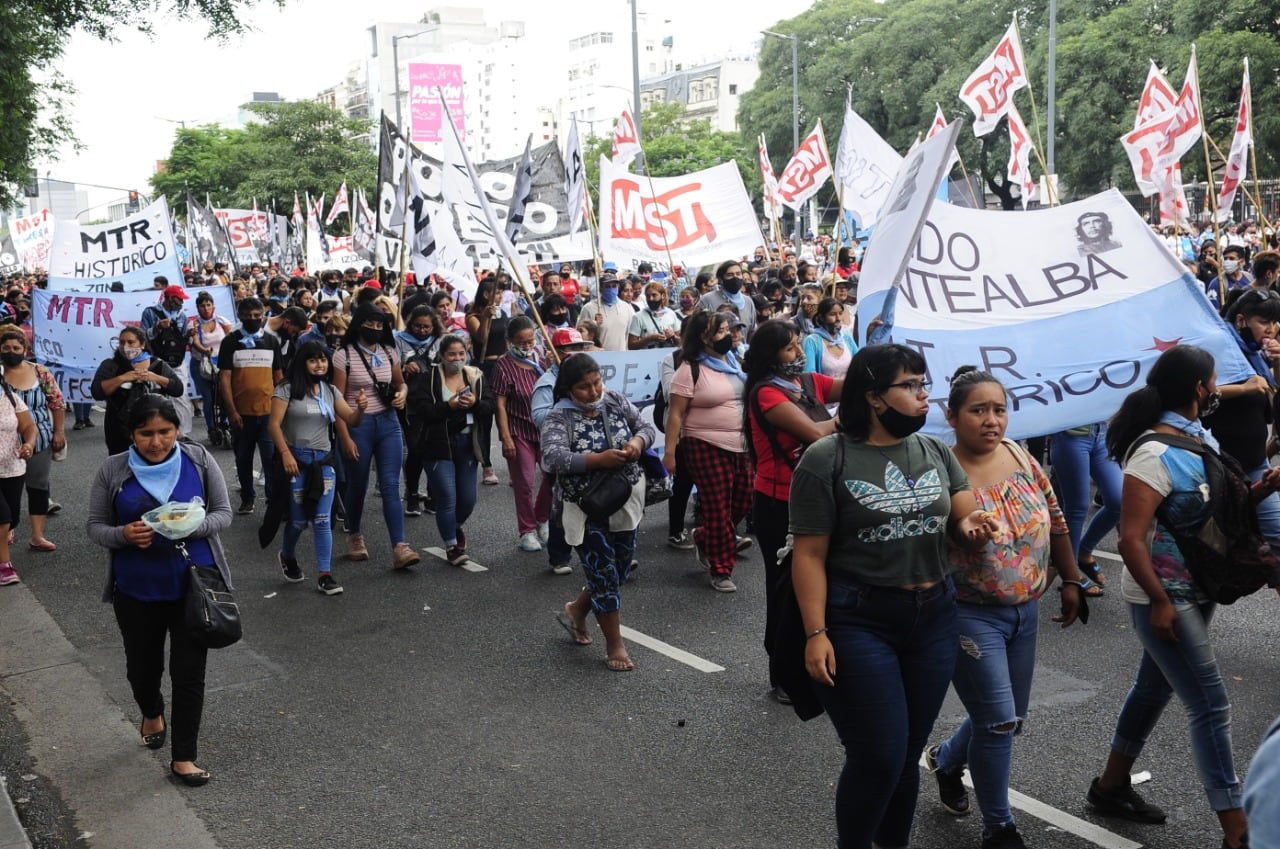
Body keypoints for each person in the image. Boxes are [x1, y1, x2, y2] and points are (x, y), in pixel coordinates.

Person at [789, 343, 994, 849]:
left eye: (924, 385)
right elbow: (809, 555)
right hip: (858, 620)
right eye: (911, 386)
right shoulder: (826, 458)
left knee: (904, 756)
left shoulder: (934, 451)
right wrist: (816, 633)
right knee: (878, 756)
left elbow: (962, 510)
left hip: (934, 617)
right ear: (875, 397)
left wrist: (973, 525)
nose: (924, 396)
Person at [1087, 344, 1276, 849]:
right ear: (1200, 389)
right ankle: (1237, 829)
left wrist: (1259, 491)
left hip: (1199, 584)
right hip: (1164, 596)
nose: (1216, 390)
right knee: (1211, 706)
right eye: (1213, 381)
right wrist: (1162, 601)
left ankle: (1109, 786)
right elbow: (1129, 538)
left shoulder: (1196, 437)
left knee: (1153, 689)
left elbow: (1210, 508)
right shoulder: (1151, 453)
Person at [926, 366, 1084, 849]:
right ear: (951, 416)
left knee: (1007, 716)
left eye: (999, 410)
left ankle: (948, 761)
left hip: (1025, 610)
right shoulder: (942, 471)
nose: (991, 421)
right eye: (978, 411)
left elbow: (1056, 519)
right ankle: (1000, 829)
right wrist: (961, 530)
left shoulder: (1019, 454)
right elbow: (939, 534)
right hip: (970, 615)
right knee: (997, 723)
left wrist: (1072, 578)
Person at [85, 395, 233, 786]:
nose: (156, 442)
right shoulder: (113, 470)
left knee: (189, 676)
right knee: (142, 669)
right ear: (131, 434)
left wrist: (187, 527)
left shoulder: (199, 460)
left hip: (193, 588)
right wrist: (124, 534)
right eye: (146, 433)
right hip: (136, 591)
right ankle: (151, 710)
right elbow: (95, 526)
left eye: (164, 432)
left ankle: (184, 757)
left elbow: (223, 513)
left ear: (177, 430)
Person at [742, 320, 841, 701]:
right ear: (770, 356)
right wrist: (847, 419)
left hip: (816, 498)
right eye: (789, 348)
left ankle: (814, 664)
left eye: (799, 345)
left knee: (818, 586)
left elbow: (858, 384)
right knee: (785, 588)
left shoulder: (809, 384)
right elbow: (816, 434)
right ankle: (782, 672)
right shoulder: (767, 393)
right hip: (779, 502)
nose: (798, 353)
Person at [542, 353, 655, 671]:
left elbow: (646, 425)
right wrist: (596, 460)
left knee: (618, 570)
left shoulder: (615, 400)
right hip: (585, 507)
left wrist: (636, 443)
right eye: (583, 387)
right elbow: (553, 457)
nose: (593, 392)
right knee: (603, 574)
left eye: (597, 383)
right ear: (568, 389)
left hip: (623, 499)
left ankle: (577, 609)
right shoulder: (558, 417)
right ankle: (615, 645)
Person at [663, 311, 753, 592]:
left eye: (729, 329)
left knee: (744, 499)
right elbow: (675, 415)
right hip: (704, 444)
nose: (729, 335)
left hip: (741, 445)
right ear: (703, 337)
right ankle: (721, 568)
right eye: (721, 331)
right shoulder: (688, 369)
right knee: (716, 506)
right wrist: (669, 452)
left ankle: (705, 537)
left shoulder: (734, 364)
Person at [267, 341, 367, 595]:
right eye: (313, 360)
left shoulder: (330, 390)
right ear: (302, 363)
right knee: (300, 521)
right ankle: (287, 555)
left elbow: (351, 419)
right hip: (296, 463)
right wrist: (286, 454)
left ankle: (325, 575)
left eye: (323, 359)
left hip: (323, 463)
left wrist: (361, 409)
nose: (320, 364)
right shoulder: (286, 389)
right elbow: (274, 425)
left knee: (322, 520)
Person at [332, 305, 419, 569]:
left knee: (391, 485)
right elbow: (336, 400)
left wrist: (402, 393)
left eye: (380, 325)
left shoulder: (389, 352)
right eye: (370, 323)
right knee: (358, 485)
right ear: (359, 324)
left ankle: (400, 546)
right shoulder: (343, 355)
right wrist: (345, 437)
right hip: (358, 425)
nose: (376, 328)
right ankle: (355, 533)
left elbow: (400, 381)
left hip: (388, 422)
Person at [407, 334, 494, 565]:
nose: (457, 359)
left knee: (467, 500)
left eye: (461, 354)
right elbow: (422, 410)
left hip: (467, 444)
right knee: (447, 496)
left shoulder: (475, 376)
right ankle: (451, 545)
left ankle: (454, 526)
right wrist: (449, 406)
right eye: (452, 355)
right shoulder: (429, 378)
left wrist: (475, 403)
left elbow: (489, 406)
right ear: (442, 357)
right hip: (437, 444)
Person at [531, 327, 595, 575]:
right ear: (556, 352)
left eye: (580, 347)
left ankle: (606, 551)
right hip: (562, 453)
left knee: (598, 501)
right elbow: (539, 417)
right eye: (571, 348)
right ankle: (559, 556)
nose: (577, 353)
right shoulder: (547, 383)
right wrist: (569, 408)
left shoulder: (590, 376)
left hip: (591, 449)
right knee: (564, 504)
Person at [218, 297, 283, 515]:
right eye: (248, 316)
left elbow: (279, 378)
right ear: (240, 316)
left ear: (263, 315)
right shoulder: (230, 342)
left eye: (257, 316)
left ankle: (274, 501)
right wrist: (232, 411)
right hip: (241, 415)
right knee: (243, 459)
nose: (253, 319)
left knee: (270, 459)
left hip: (268, 413)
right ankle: (247, 498)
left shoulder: (272, 341)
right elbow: (225, 378)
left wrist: (280, 410)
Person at [0, 330, 64, 552]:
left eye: (16, 348)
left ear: (25, 350)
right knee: (8, 490)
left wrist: (59, 432)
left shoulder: (41, 372)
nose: (11, 352)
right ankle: (7, 529)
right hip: (6, 445)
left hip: (40, 440)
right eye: (6, 348)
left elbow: (57, 403)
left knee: (38, 487)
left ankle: (37, 536)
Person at [493, 316, 553, 551]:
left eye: (531, 340)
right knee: (525, 482)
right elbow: (500, 404)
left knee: (552, 477)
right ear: (510, 341)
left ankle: (542, 518)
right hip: (519, 431)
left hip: (546, 429)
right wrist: (506, 437)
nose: (527, 345)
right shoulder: (503, 365)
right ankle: (526, 530)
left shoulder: (543, 359)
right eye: (521, 342)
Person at [1049, 421, 1121, 598]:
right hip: (1070, 436)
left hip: (1101, 434)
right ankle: (1071, 573)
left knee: (1118, 501)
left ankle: (1084, 551)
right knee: (1077, 507)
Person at [92, 326, 186, 456]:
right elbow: (97, 392)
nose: (126, 346)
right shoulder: (110, 365)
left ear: (142, 345)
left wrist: (156, 378)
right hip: (120, 432)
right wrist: (122, 378)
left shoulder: (158, 365)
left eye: (131, 342)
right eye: (122, 342)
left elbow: (178, 389)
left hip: (154, 429)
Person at [397, 306, 443, 516]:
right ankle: (413, 493)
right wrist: (405, 366)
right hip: (412, 403)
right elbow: (391, 367)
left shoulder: (442, 341)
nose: (422, 331)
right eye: (417, 326)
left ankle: (433, 493)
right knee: (415, 449)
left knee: (435, 446)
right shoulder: (399, 339)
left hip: (436, 400)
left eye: (426, 327)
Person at [464, 280, 508, 486]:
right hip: (485, 368)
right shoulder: (473, 316)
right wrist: (486, 318)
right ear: (485, 295)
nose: (498, 297)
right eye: (495, 293)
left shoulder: (504, 314)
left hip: (504, 366)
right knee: (485, 417)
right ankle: (486, 465)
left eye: (500, 293)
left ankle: (514, 463)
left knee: (508, 414)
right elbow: (482, 338)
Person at [140, 284, 194, 437]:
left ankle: (182, 433)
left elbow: (184, 339)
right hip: (157, 361)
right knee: (158, 397)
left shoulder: (182, 316)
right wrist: (157, 327)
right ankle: (160, 429)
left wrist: (190, 334)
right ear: (170, 298)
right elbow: (143, 336)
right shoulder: (150, 313)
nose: (181, 302)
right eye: (179, 299)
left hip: (177, 362)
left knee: (180, 395)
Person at [187, 292, 233, 447]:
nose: (206, 309)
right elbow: (195, 342)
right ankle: (212, 428)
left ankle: (225, 423)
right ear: (198, 308)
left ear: (213, 306)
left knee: (225, 394)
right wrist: (205, 350)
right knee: (208, 398)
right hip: (201, 365)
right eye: (202, 305)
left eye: (208, 305)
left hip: (220, 364)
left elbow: (231, 338)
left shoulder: (221, 321)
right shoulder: (193, 324)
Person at [698, 260, 758, 337]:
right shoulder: (707, 300)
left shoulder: (748, 302)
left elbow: (751, 331)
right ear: (721, 278)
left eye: (738, 274)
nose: (735, 277)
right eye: (730, 275)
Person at [802, 297, 858, 379]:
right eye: (832, 314)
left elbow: (859, 362)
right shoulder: (812, 341)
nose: (838, 318)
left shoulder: (847, 337)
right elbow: (809, 375)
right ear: (821, 317)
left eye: (840, 313)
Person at [627, 281, 680, 349]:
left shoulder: (671, 314)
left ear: (663, 296)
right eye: (648, 296)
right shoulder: (638, 317)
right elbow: (631, 345)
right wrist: (650, 339)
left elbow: (681, 342)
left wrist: (673, 336)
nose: (650, 299)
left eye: (654, 295)